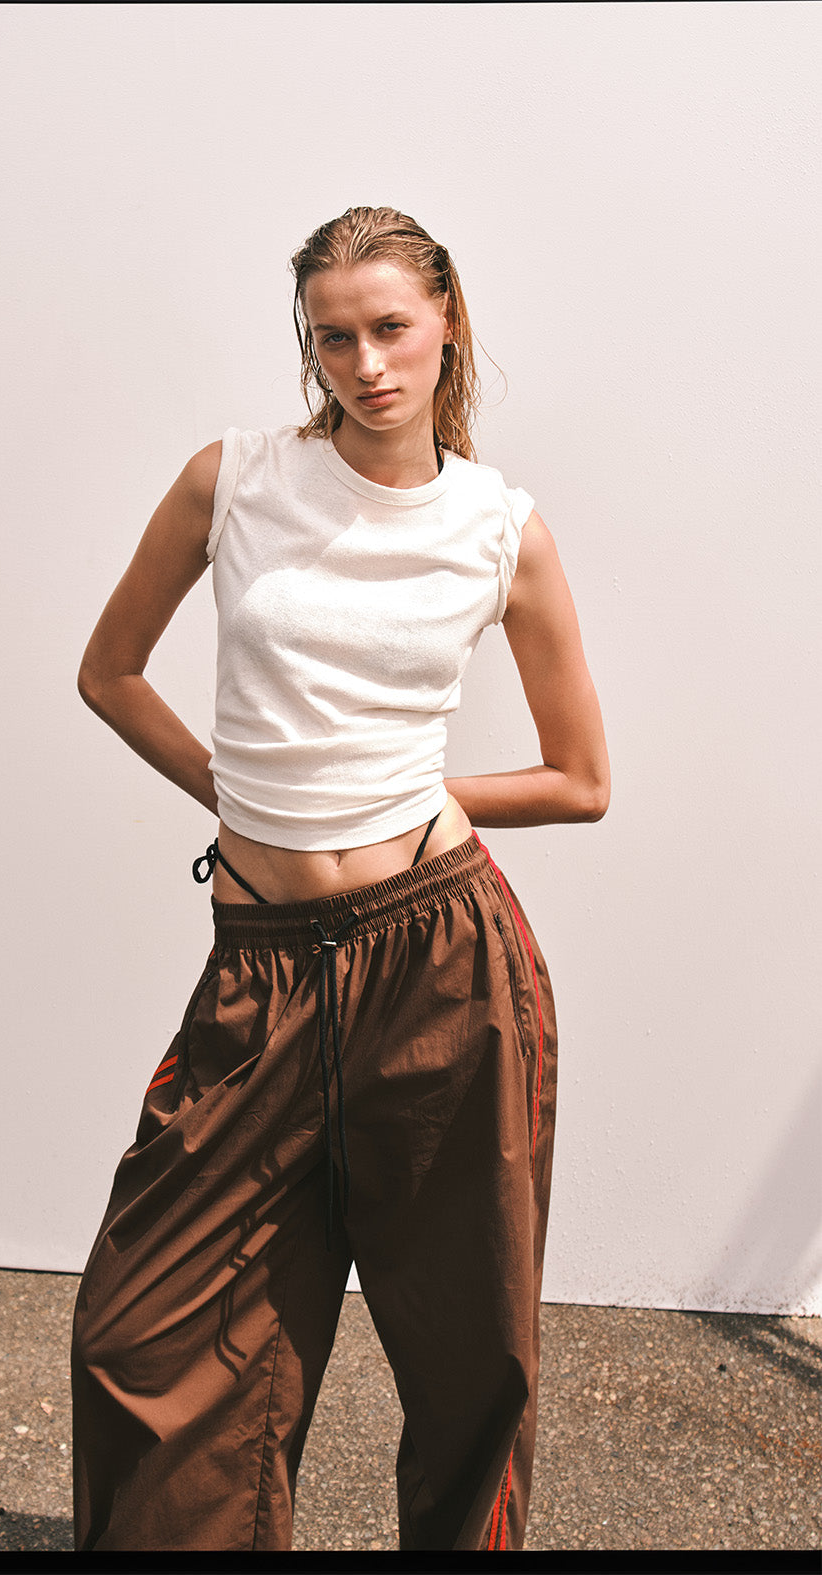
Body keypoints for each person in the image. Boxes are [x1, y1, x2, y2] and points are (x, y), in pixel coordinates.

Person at [70, 205, 609, 1553]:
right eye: (333, 338)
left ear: (446, 327)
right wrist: (238, 794)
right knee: (145, 1336)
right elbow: (109, 673)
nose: (366, 364)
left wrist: (422, 794)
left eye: (390, 329)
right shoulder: (234, 480)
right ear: (307, 346)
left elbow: (580, 778)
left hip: (440, 963)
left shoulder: (498, 528)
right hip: (261, 969)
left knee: (470, 1348)